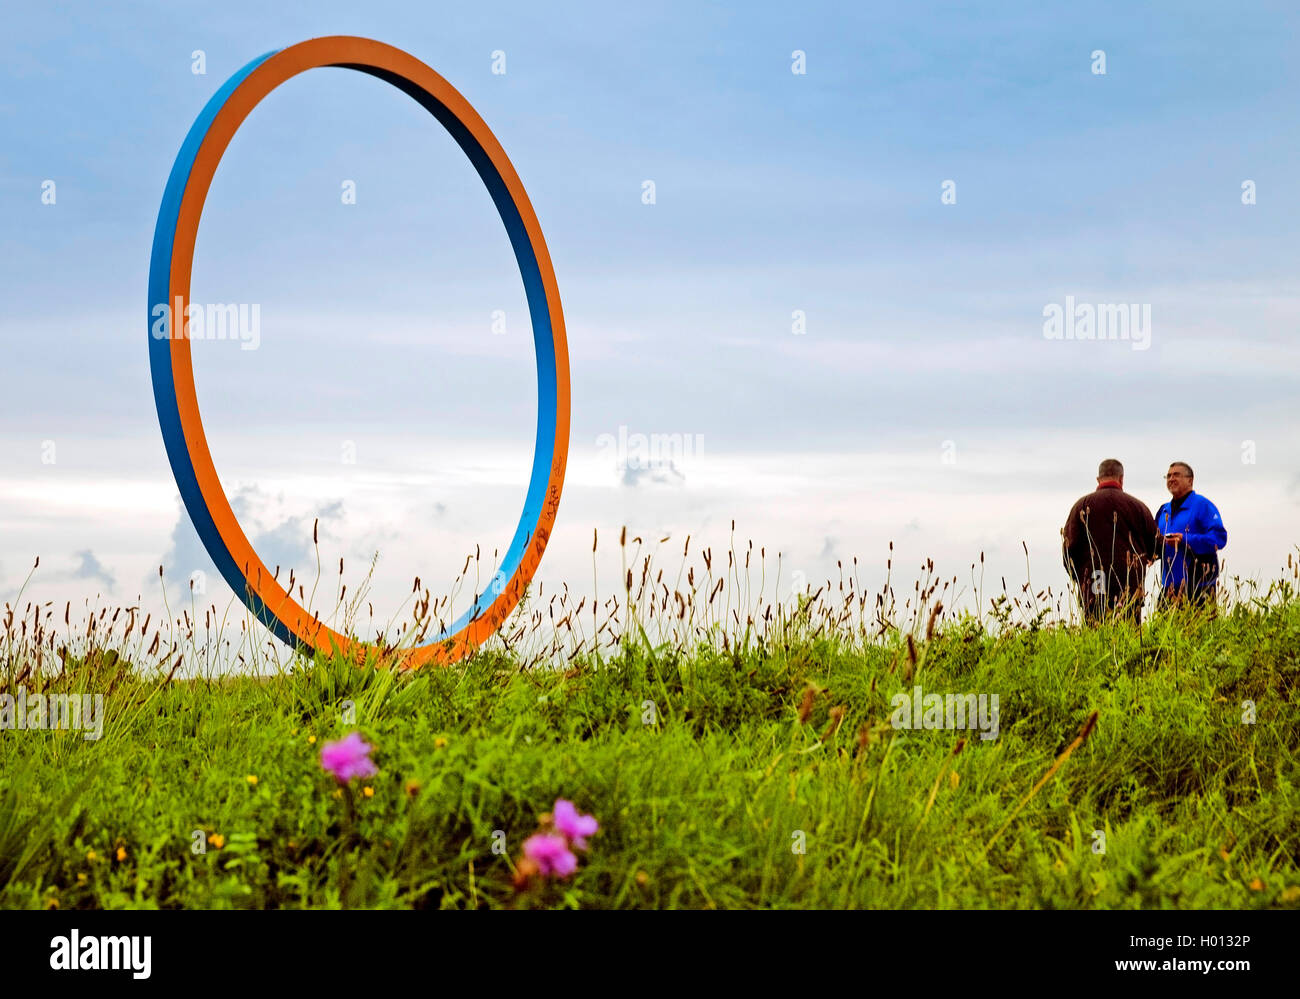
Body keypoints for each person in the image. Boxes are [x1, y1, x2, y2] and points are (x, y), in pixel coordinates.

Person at [1062, 458, 1158, 624]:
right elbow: (1155, 545)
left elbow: (1069, 549)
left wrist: (1080, 579)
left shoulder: (1081, 506)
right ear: (1121, 478)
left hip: (1093, 582)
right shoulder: (1138, 506)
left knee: (1095, 632)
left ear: (1098, 479)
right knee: (1129, 633)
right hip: (1130, 584)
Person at [1155, 461, 1227, 610]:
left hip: (1199, 586)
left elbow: (1219, 539)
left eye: (1176, 475)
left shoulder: (1203, 505)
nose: (1171, 479)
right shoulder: (1163, 511)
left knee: (1199, 633)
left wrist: (1185, 540)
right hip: (1168, 587)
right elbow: (1155, 541)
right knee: (1161, 632)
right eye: (1168, 476)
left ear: (1190, 480)